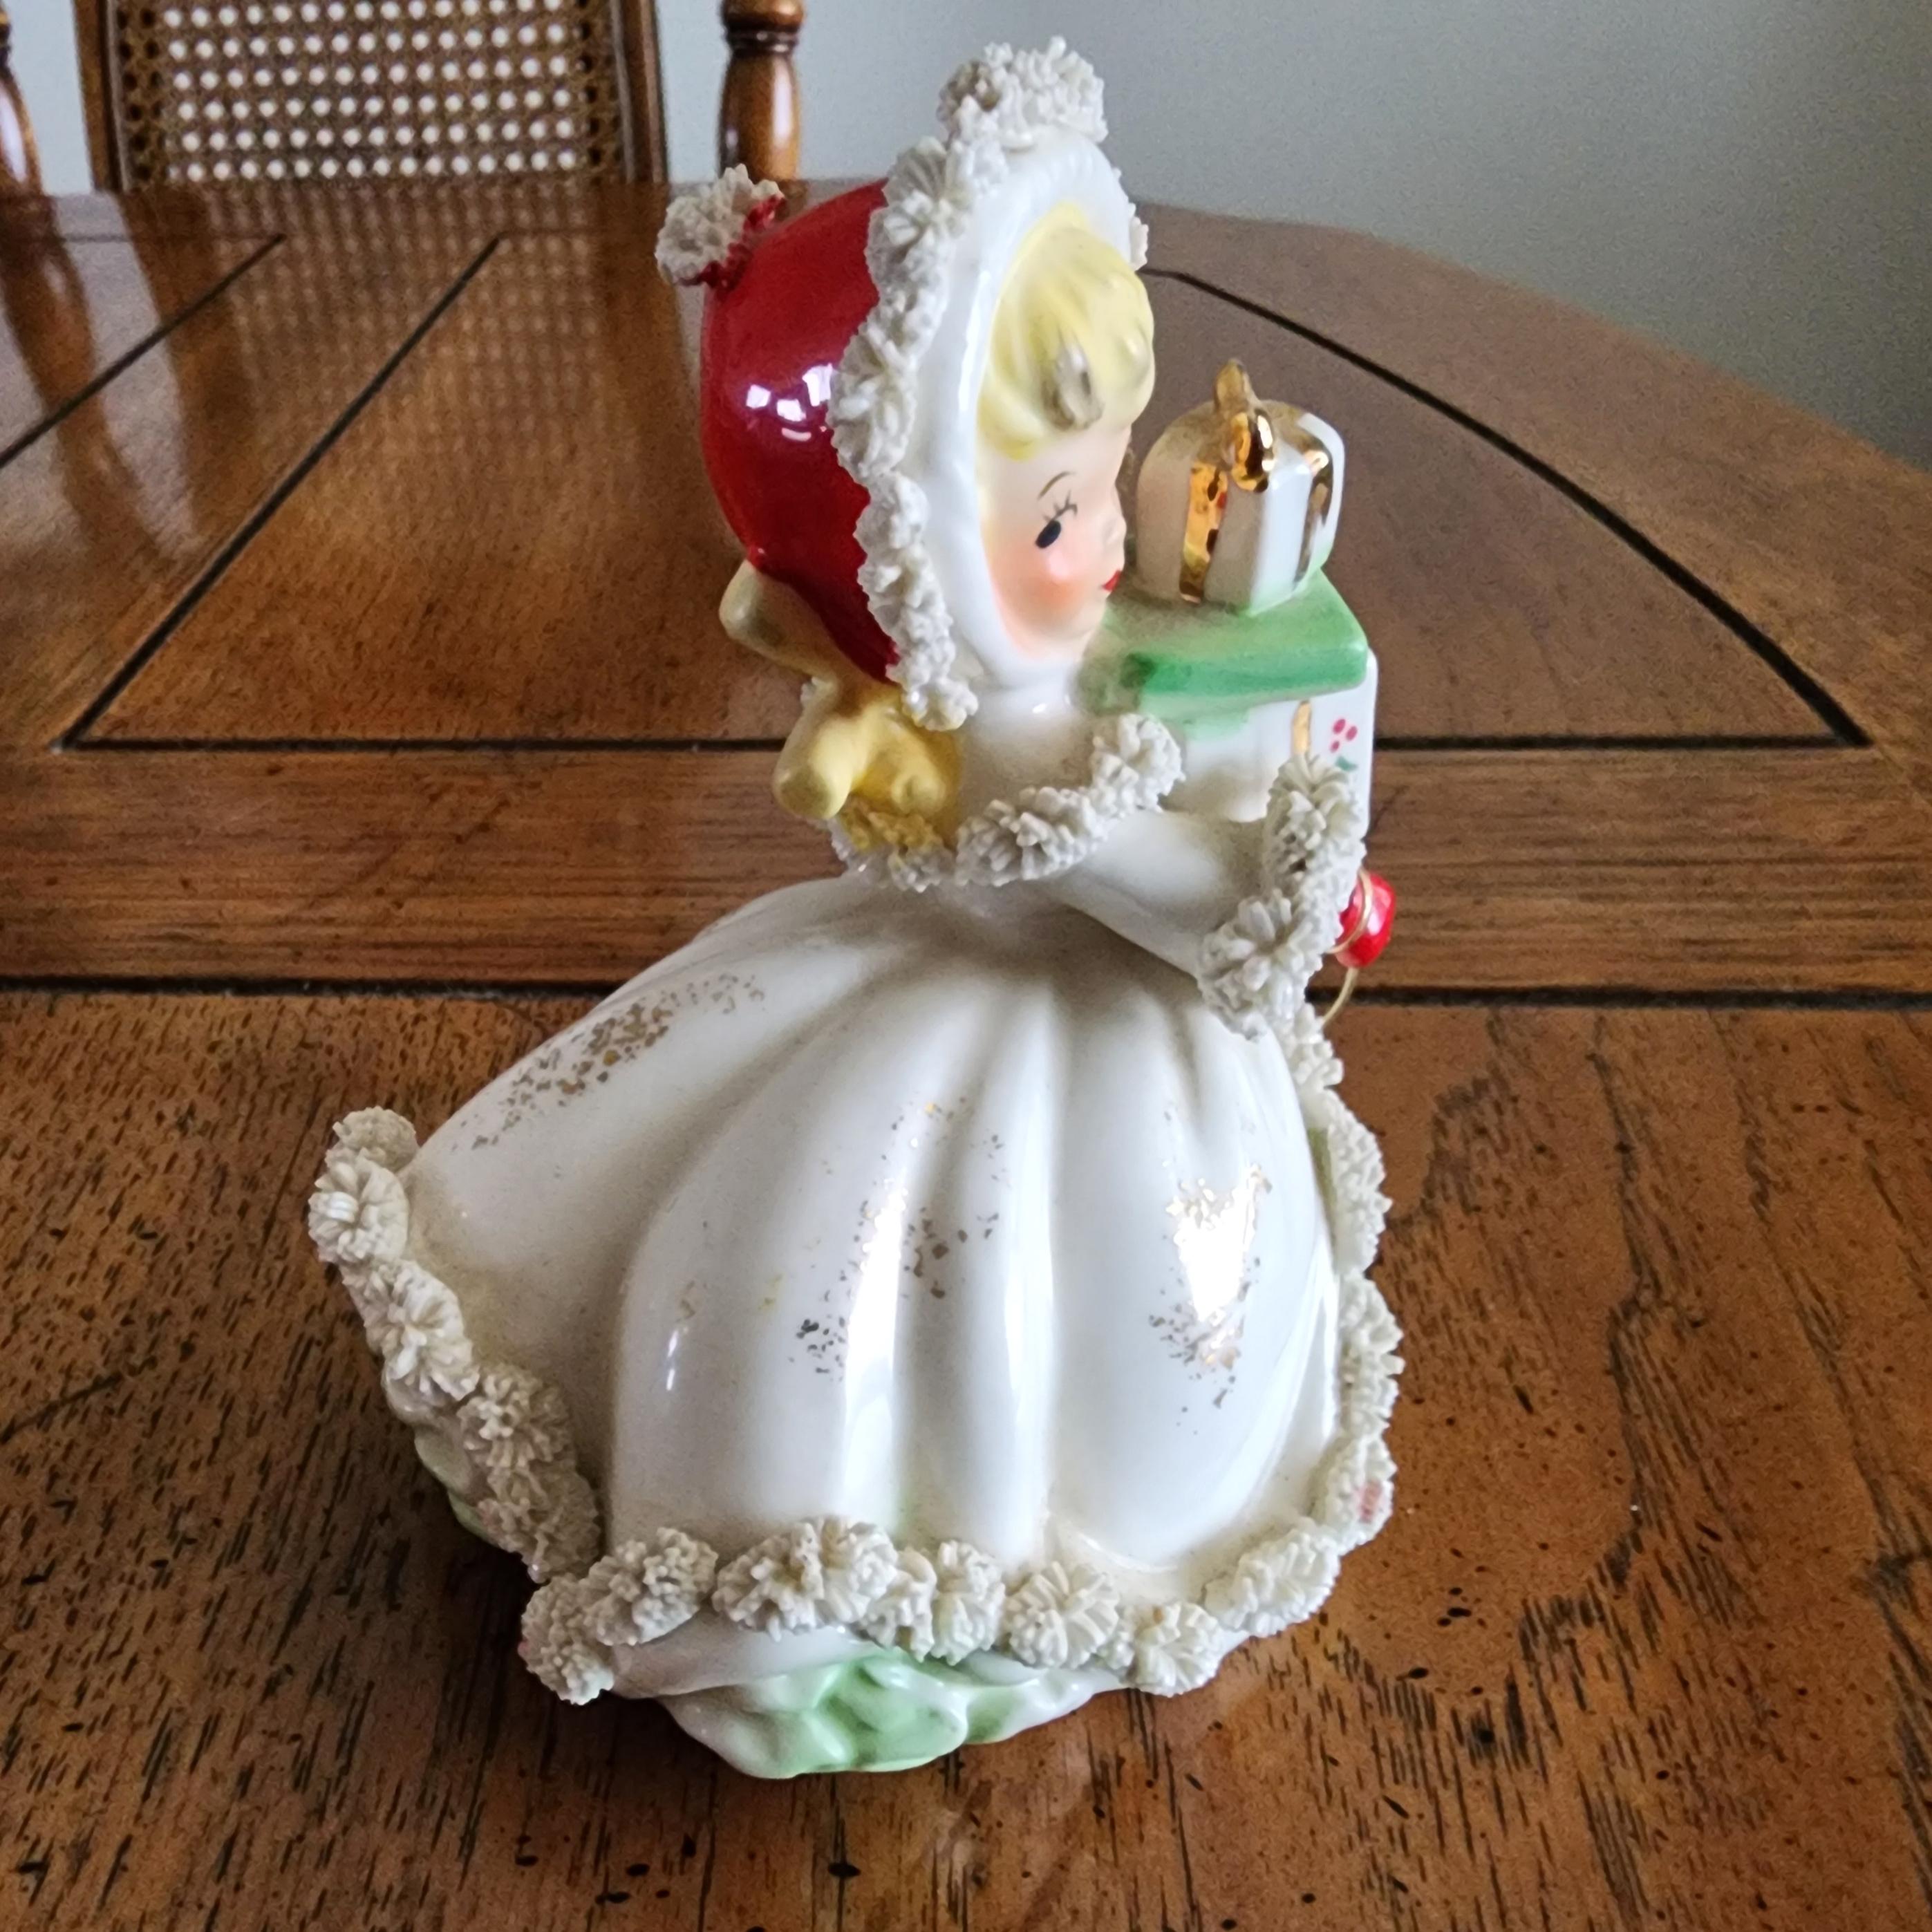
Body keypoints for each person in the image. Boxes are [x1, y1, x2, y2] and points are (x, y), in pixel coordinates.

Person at [308, 41, 1398, 1777]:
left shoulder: (1050, 662)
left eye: (1108, 469)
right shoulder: (990, 739)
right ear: (923, 570)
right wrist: (1258, 879)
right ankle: (816, 1583)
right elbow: (1180, 907)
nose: (1112, 531)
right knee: (828, 1284)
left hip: (1090, 1027)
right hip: (1046, 1032)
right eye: (1059, 509)